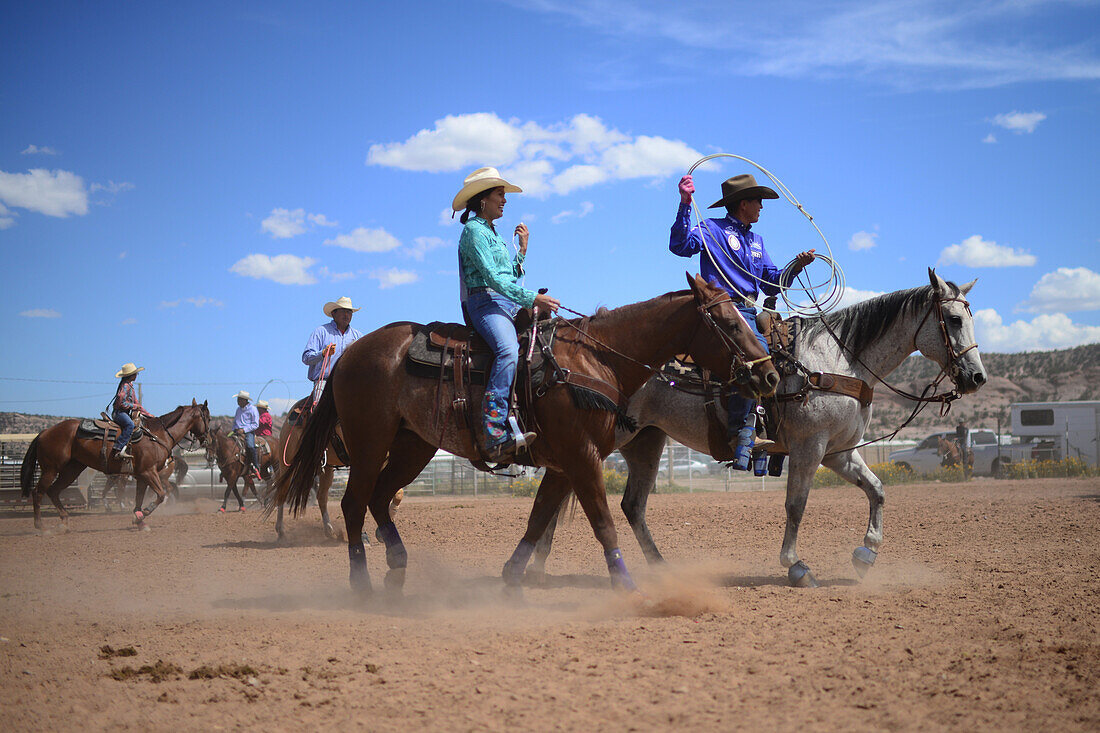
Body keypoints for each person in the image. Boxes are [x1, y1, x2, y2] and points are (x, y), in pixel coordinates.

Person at [671, 173, 816, 468]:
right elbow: (681, 246)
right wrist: (685, 203)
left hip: (749, 310)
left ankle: (766, 434)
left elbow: (772, 285)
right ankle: (740, 433)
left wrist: (796, 266)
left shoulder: (757, 241)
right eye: (758, 201)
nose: (762, 207)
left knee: (783, 356)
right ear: (743, 204)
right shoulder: (712, 228)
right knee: (756, 360)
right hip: (723, 312)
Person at [453, 166, 560, 462]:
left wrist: (522, 251)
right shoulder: (473, 231)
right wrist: (532, 297)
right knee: (508, 350)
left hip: (505, 302)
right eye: (500, 194)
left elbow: (507, 275)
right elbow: (491, 278)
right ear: (482, 199)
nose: (504, 200)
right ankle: (494, 428)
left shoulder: (491, 233)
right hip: (485, 304)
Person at [302, 296, 364, 409]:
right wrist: (323, 353)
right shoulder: (321, 332)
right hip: (324, 382)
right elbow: (306, 358)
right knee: (319, 409)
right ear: (334, 313)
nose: (347, 315)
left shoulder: (358, 336)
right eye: (344, 311)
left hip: (350, 382)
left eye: (349, 312)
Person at [110, 362, 153, 460]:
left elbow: (138, 405)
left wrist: (148, 415)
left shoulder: (130, 386)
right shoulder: (126, 386)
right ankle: (118, 447)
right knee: (130, 425)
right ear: (131, 375)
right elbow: (121, 403)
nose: (136, 375)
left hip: (123, 413)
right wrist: (134, 406)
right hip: (119, 413)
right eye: (135, 373)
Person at [231, 390, 260, 480]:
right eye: (238, 399)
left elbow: (255, 424)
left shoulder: (253, 409)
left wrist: (243, 430)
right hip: (237, 431)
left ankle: (256, 466)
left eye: (239, 399)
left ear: (244, 400)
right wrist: (235, 429)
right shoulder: (238, 410)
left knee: (250, 446)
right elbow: (235, 422)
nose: (238, 401)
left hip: (248, 432)